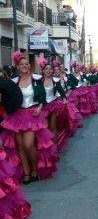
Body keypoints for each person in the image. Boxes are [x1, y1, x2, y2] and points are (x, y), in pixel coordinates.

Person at [0, 52, 59, 183]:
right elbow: (7, 98)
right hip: (17, 115)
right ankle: (26, 172)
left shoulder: (37, 79)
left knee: (29, 145)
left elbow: (43, 95)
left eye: (26, 64)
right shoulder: (13, 82)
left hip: (33, 114)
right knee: (20, 146)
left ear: (29, 65)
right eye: (22, 64)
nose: (24, 66)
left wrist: (40, 106)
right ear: (18, 66)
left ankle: (34, 169)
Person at [39, 55, 82, 151]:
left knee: (53, 124)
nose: (49, 70)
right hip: (43, 106)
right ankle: (46, 145)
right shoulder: (39, 81)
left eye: (50, 69)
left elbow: (64, 90)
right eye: (47, 69)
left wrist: (65, 97)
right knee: (45, 127)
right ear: (44, 70)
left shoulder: (57, 80)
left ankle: (53, 147)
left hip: (54, 104)